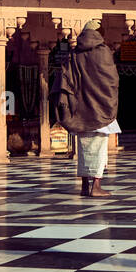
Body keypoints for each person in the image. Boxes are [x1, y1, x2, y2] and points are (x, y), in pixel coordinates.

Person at [51, 22, 120, 197]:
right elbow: (110, 79)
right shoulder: (103, 51)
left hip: (81, 109)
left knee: (83, 148)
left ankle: (84, 186)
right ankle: (96, 186)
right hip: (100, 108)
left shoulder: (75, 53)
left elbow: (66, 77)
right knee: (99, 147)